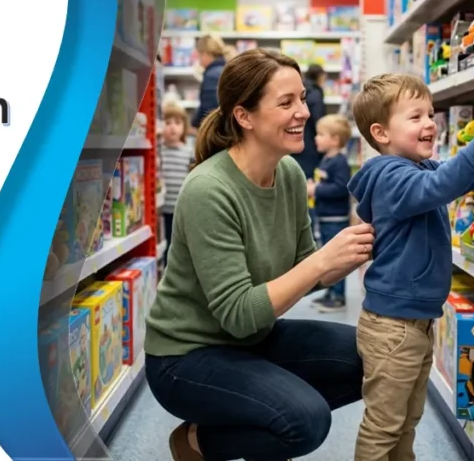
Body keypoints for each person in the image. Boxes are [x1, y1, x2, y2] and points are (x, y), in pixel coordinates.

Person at [145, 48, 376, 461]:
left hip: (254, 340)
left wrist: (356, 249)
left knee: (375, 356)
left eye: (302, 98)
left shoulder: (287, 173)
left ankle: (257, 409)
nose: (303, 112)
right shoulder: (209, 190)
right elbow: (239, 314)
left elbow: (303, 264)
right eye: (286, 103)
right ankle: (198, 441)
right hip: (185, 357)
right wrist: (321, 263)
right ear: (244, 116)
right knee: (305, 421)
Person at [347, 74, 474, 461]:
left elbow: (456, 178)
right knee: (384, 426)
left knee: (407, 420)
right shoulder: (390, 176)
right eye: (415, 117)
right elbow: (443, 184)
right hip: (392, 329)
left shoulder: (417, 168)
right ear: (380, 133)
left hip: (414, 324)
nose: (430, 123)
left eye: (430, 114)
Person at [306, 113, 353, 312]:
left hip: (335, 218)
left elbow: (341, 188)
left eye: (320, 134)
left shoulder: (339, 162)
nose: (316, 138)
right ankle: (330, 291)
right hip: (324, 216)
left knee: (337, 259)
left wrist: (316, 190)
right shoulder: (326, 160)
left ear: (334, 140)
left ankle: (338, 296)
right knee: (327, 255)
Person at [161, 100, 194, 258]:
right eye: (168, 122)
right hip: (163, 209)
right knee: (166, 243)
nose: (173, 127)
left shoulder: (189, 151)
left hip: (182, 208)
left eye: (177, 123)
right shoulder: (158, 149)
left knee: (182, 244)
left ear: (184, 127)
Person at [292, 63, 326, 179]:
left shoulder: (303, 91)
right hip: (311, 143)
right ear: (320, 77)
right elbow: (319, 122)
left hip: (297, 140)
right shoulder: (315, 94)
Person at [190, 34, 228, 131]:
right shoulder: (226, 69)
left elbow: (208, 110)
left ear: (206, 53)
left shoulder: (211, 75)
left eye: (199, 55)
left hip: (216, 130)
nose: (199, 60)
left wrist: (194, 125)